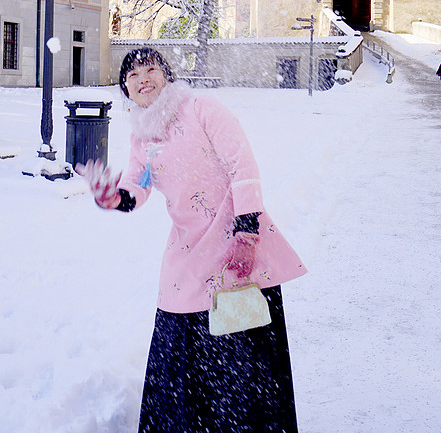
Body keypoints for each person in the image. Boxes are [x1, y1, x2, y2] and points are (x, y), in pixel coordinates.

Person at [78, 47, 306, 433]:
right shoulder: (141, 136)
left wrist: (247, 233)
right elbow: (138, 186)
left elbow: (242, 163)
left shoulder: (201, 108)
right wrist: (113, 197)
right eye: (132, 76)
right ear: (126, 89)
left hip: (236, 240)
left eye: (151, 69)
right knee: (180, 337)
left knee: (239, 348)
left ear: (167, 76)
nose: (142, 78)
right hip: (187, 249)